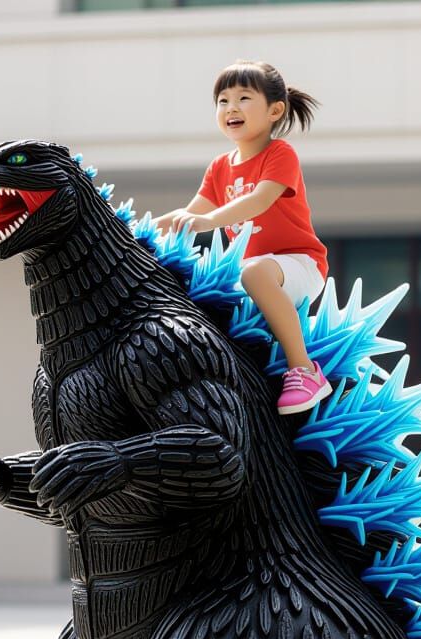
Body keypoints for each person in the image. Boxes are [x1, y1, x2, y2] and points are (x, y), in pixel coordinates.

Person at [156, 60, 331, 415]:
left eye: (244, 98)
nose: (231, 108)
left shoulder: (280, 154)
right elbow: (187, 216)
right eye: (222, 101)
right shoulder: (220, 166)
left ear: (275, 110)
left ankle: (305, 370)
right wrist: (124, 230)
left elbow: (258, 200)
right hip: (254, 271)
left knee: (253, 273)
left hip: (300, 264)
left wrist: (207, 221)